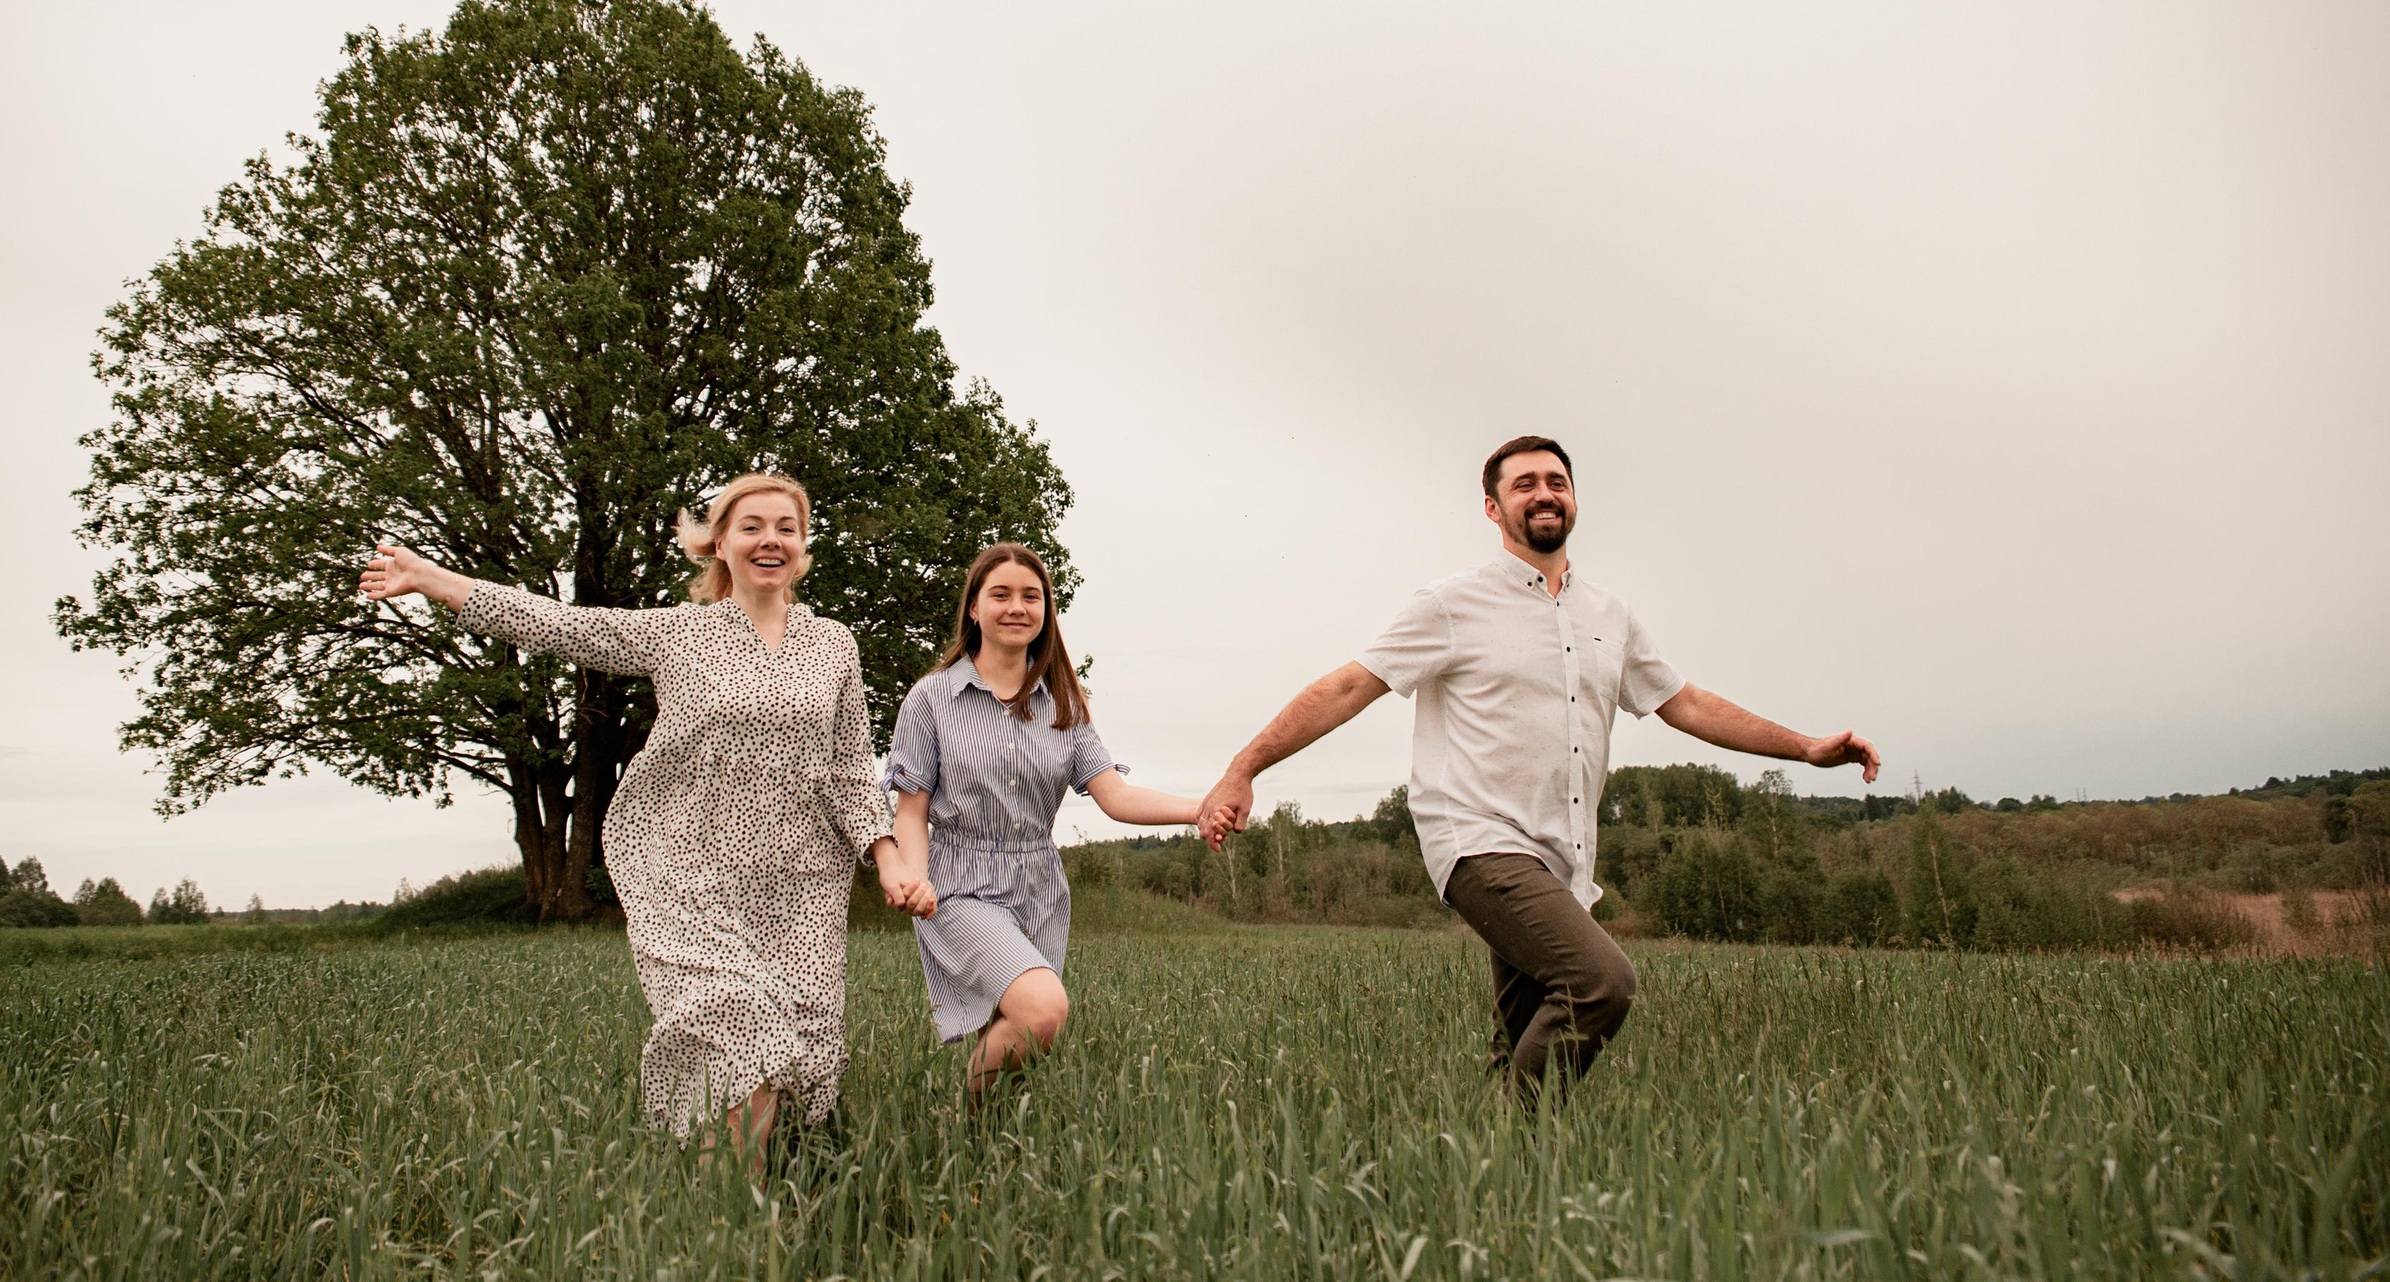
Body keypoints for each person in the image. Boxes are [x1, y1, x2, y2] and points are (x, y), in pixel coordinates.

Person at [1196, 435, 1882, 1101]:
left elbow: (1688, 703)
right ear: (1493, 509)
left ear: (1574, 500)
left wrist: (1807, 748)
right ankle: (1514, 1139)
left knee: (1524, 1034)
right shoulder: (1451, 604)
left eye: (1556, 482)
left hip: (1562, 857)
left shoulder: (1611, 616)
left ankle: (1506, 1185)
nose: (1544, 495)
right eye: (1523, 485)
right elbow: (1350, 686)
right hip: (1479, 840)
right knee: (1600, 984)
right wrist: (1244, 767)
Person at [357, 471, 918, 1159]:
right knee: (739, 1024)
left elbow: (850, 768)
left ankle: (749, 1203)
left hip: (801, 885)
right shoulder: (676, 635)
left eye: (786, 528)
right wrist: (431, 578)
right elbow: (559, 624)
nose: (770, 540)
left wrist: (887, 857)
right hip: (692, 872)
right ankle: (726, 1224)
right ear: (717, 544)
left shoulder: (834, 645)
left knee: (796, 1058)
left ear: (802, 546)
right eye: (752, 527)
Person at [884, 543, 1209, 1100]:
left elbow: (1115, 795)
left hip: (1039, 882)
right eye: (1001, 594)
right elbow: (910, 809)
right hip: (958, 882)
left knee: (1016, 1025)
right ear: (974, 609)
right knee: (1042, 1009)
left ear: (1046, 611)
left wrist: (1199, 810)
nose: (1017, 607)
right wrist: (914, 878)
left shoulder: (1064, 705)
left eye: (1031, 596)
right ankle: (964, 1115)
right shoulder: (931, 699)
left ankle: (979, 1143)